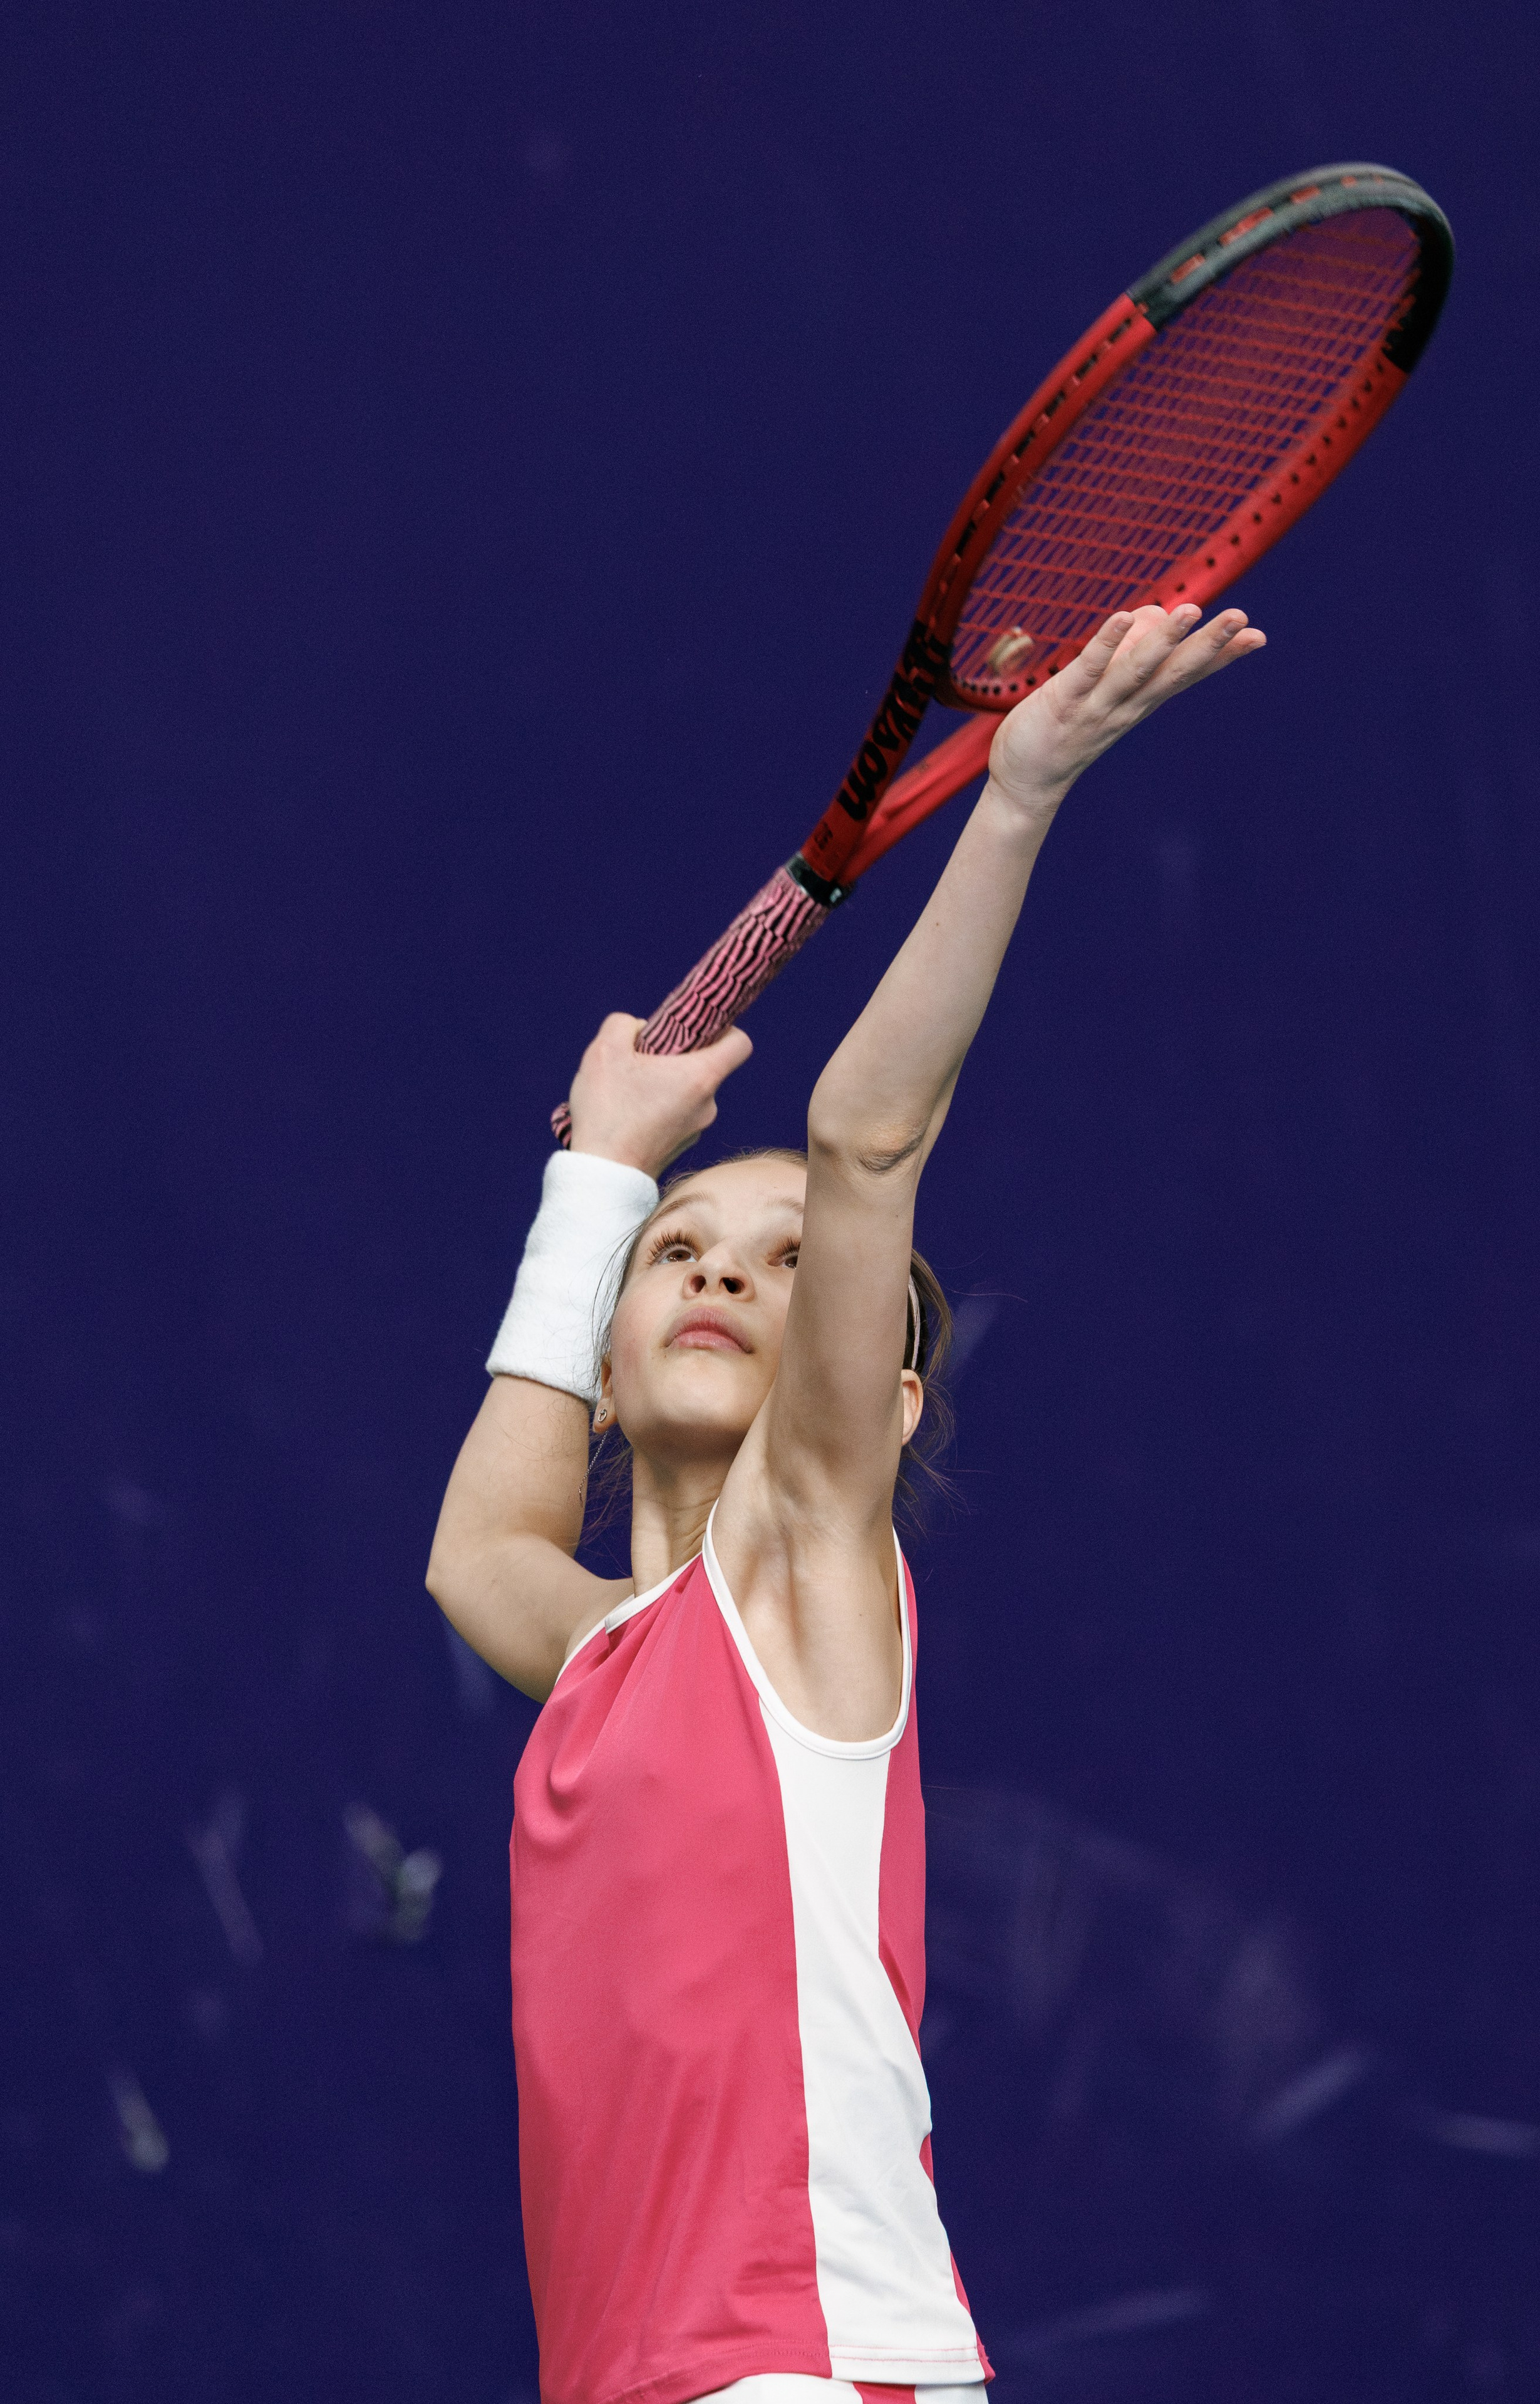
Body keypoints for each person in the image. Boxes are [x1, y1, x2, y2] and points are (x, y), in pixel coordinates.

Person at [427, 600, 1265, 2404]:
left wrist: (1019, 796)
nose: (724, 1277)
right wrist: (594, 1188)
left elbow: (866, 1135)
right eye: (681, 1255)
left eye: (791, 1264)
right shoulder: (602, 1656)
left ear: (881, 1398)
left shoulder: (806, 1582)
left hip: (809, 2376)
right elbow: (481, 1551)